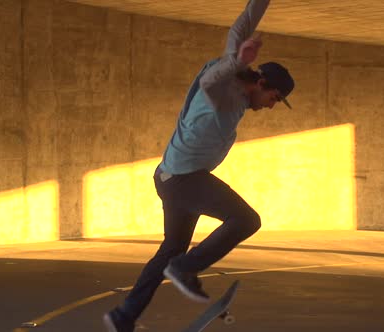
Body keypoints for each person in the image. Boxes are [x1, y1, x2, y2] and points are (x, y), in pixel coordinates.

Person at [103, 0, 295, 331]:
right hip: (184, 180)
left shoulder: (235, 75)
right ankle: (186, 268)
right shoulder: (224, 88)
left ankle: (124, 316)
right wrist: (237, 60)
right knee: (246, 219)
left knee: (171, 250)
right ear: (261, 84)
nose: (271, 107)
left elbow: (240, 28)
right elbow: (209, 81)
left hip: (173, 177)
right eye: (274, 98)